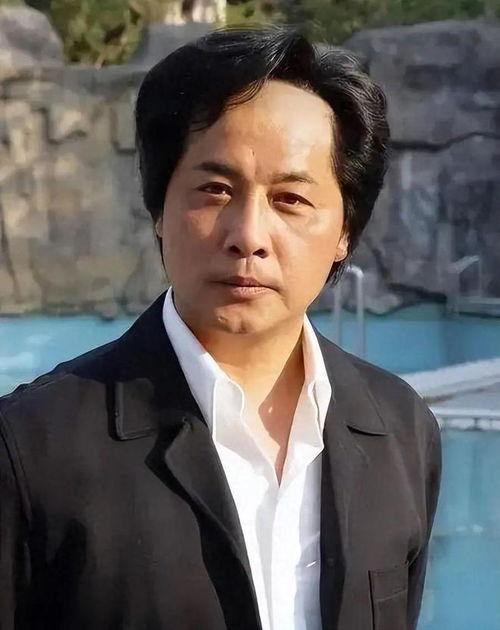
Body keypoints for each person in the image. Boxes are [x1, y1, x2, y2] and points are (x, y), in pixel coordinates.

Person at [0, 25, 441, 630]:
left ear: (345, 230)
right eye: (214, 190)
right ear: (159, 210)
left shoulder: (401, 429)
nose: (248, 236)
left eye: (290, 199)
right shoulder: (31, 447)